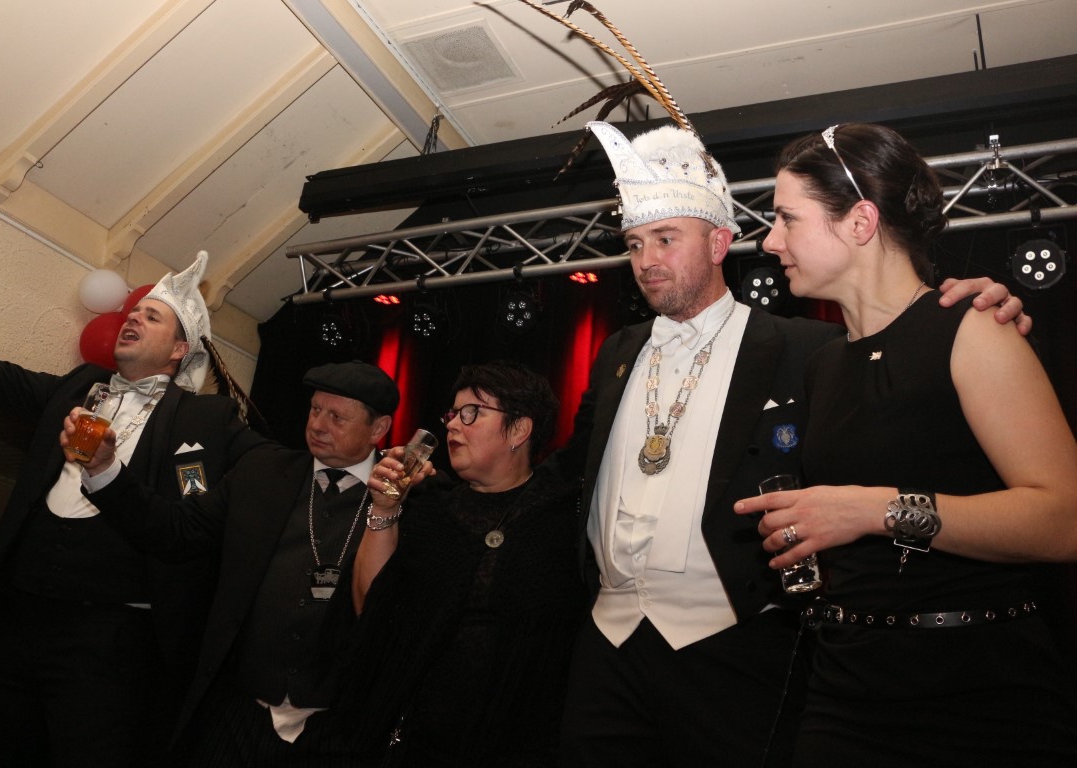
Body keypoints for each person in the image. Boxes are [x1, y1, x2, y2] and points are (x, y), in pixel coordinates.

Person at [510, 6, 1035, 765]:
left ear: (718, 242)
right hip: (610, 643)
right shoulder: (617, 351)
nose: (647, 259)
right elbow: (572, 473)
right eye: (634, 243)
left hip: (746, 645)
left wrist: (975, 309)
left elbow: (921, 432)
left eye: (666, 238)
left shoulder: (807, 348)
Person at [734, 122, 1077, 766]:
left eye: (786, 218)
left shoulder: (973, 330)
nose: (769, 241)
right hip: (845, 689)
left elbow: (1064, 521)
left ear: (860, 221)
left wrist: (875, 509)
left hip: (980, 695)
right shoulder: (823, 365)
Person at [0, 252, 267, 767]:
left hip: (107, 646)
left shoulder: (200, 422)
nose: (133, 318)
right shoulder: (77, 385)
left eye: (152, 317)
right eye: (133, 312)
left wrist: (106, 470)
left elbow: (180, 531)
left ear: (180, 349)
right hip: (19, 619)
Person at [74, 360, 398, 767]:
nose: (317, 425)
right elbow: (177, 531)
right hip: (235, 713)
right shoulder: (262, 472)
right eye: (315, 409)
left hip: (338, 730)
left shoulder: (411, 500)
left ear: (378, 428)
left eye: (337, 417)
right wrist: (104, 468)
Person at [333, 360, 587, 766]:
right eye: (452, 414)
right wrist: (384, 509)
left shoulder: (563, 521)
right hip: (413, 742)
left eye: (472, 413)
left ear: (519, 430)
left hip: (517, 747)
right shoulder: (431, 507)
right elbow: (371, 609)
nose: (452, 425)